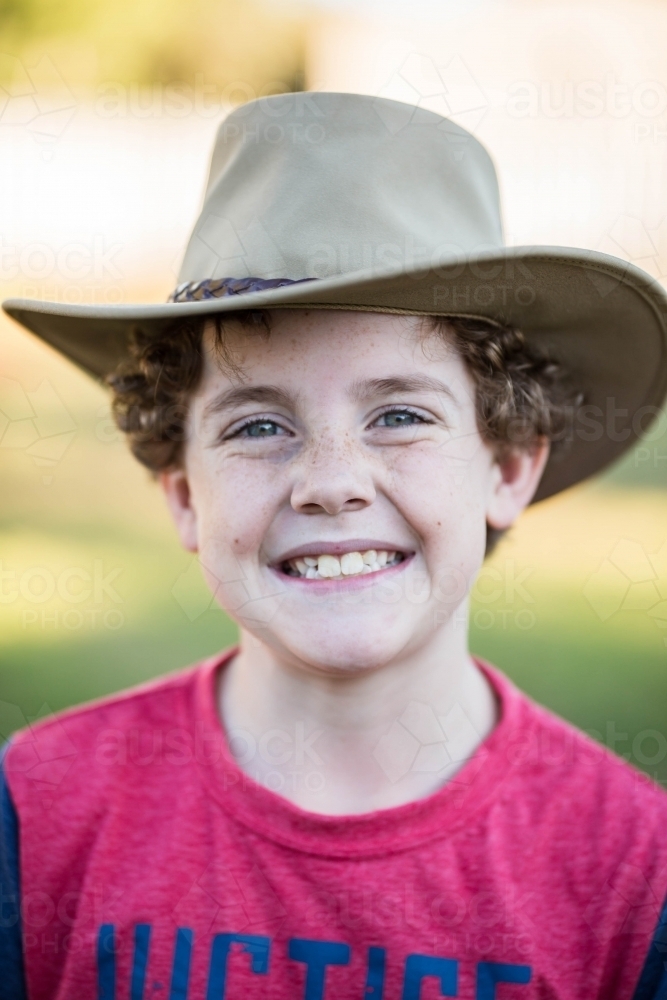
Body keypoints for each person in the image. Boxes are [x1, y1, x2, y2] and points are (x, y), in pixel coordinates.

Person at [2, 92, 667, 1000]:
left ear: (507, 468)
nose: (329, 480)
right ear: (186, 493)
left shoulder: (633, 871)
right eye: (257, 426)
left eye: (399, 415)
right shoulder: (37, 812)